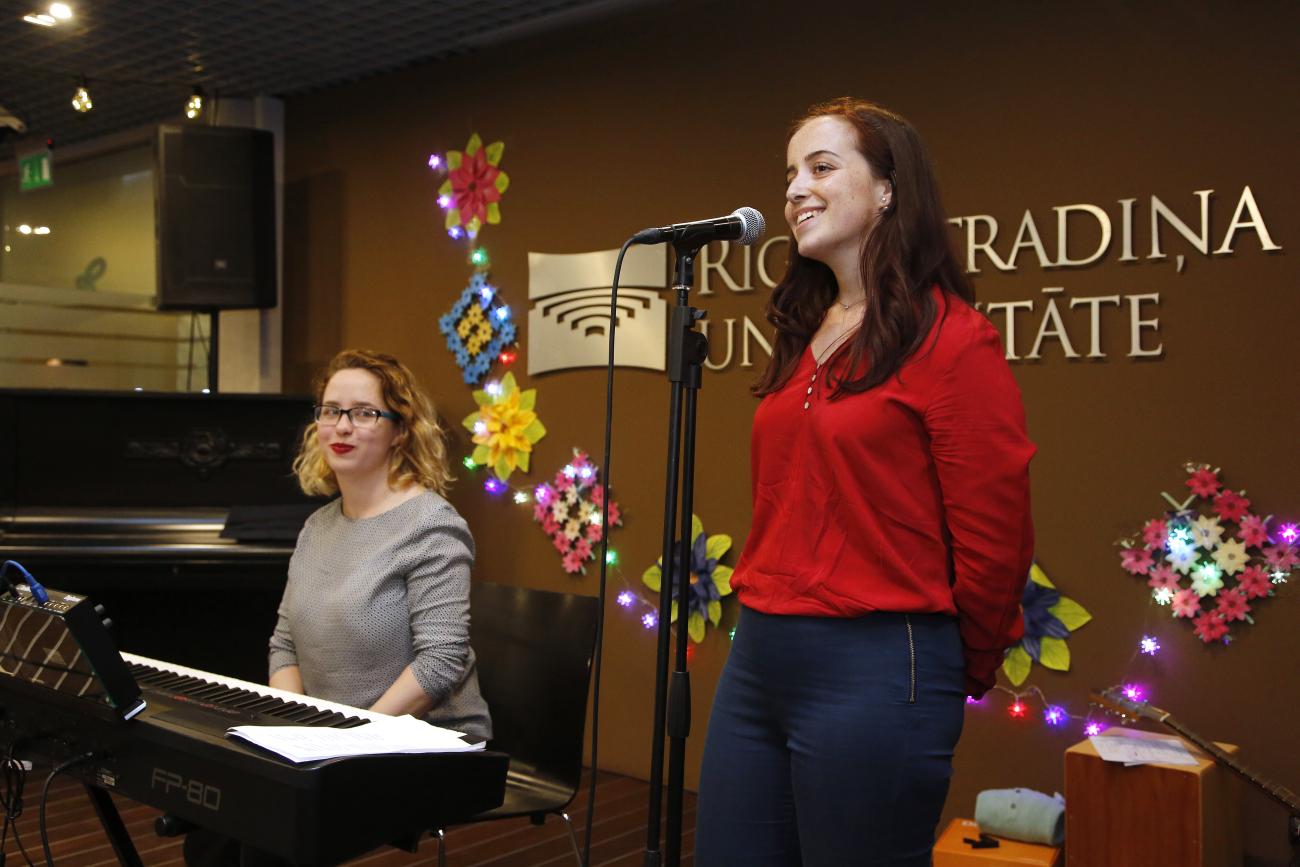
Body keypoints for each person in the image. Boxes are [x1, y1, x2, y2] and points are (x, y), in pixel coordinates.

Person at [695, 99, 1034, 866]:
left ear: (888, 188)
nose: (795, 189)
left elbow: (995, 533)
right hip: (759, 657)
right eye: (790, 173)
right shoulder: (805, 329)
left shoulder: (953, 338)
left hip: (877, 662)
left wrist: (955, 665)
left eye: (821, 167)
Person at [268, 348, 491, 740]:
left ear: (400, 430)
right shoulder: (316, 527)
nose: (342, 427)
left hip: (427, 742)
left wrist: (350, 737)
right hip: (330, 740)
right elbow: (284, 646)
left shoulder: (431, 526)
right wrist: (292, 728)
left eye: (363, 413)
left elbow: (440, 662)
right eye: (331, 411)